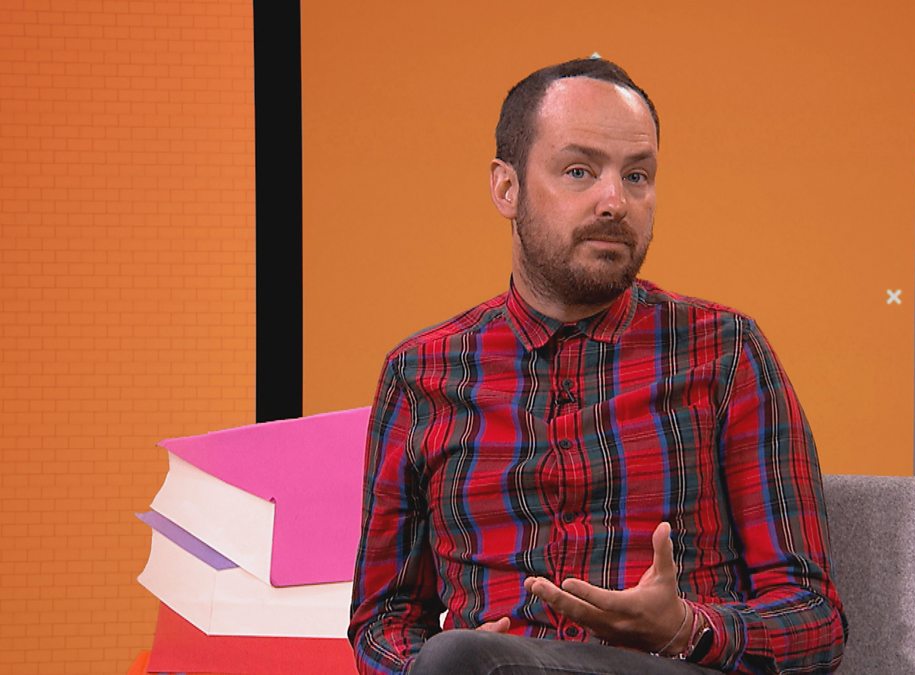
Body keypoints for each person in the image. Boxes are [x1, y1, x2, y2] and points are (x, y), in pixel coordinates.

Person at [349, 57, 847, 674]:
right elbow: (384, 621)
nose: (615, 202)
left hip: (669, 668)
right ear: (507, 189)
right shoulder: (420, 374)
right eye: (579, 171)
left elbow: (815, 621)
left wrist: (686, 629)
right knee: (461, 657)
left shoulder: (725, 352)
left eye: (637, 176)